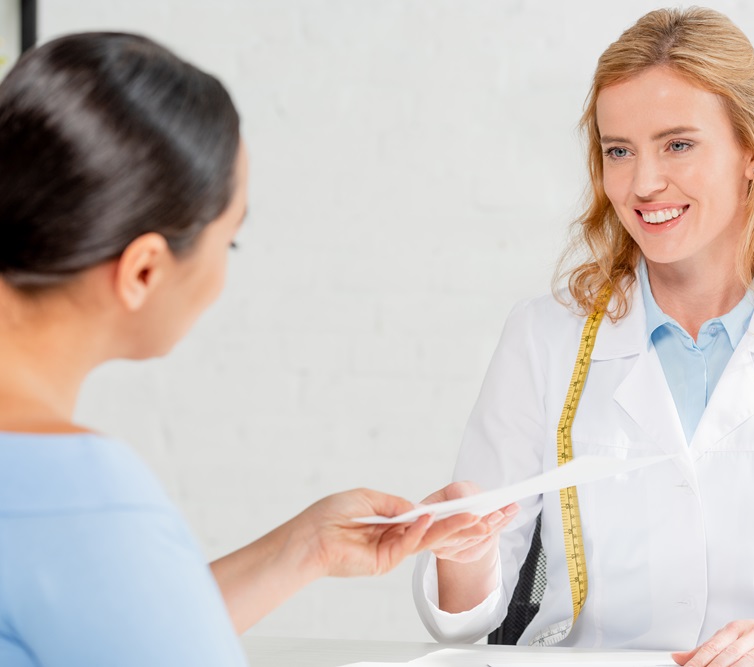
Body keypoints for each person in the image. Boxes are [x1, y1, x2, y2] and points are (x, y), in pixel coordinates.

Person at [413, 6, 754, 665]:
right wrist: (461, 550)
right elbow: (464, 623)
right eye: (618, 150)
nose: (643, 182)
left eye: (678, 144)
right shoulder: (542, 337)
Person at [0, 32, 503, 666]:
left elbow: (110, 625)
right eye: (227, 242)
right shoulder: (81, 497)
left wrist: (306, 547)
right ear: (145, 271)